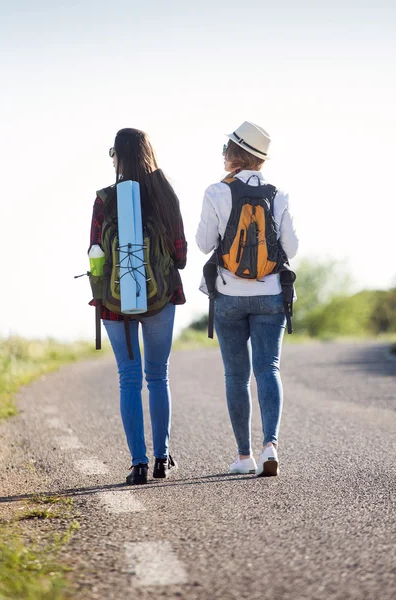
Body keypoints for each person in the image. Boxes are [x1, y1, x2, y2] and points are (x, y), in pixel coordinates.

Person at [196, 121, 298, 477]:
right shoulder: (278, 192)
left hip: (229, 297)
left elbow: (204, 243)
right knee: (269, 369)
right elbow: (293, 248)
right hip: (271, 294)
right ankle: (271, 446)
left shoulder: (215, 191)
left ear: (234, 154)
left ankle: (244, 456)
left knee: (236, 376)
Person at [89, 128, 187, 485]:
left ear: (119, 156)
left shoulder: (104, 200)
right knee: (157, 375)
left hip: (115, 303)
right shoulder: (165, 194)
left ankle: (138, 464)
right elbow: (181, 255)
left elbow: (95, 255)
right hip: (162, 296)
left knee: (128, 379)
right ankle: (162, 458)